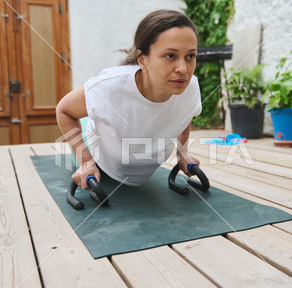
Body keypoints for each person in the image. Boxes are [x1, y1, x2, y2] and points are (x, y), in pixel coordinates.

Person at [56, 9, 202, 190]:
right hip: (96, 145)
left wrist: (183, 153)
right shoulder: (109, 88)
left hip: (129, 145)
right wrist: (85, 162)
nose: (183, 69)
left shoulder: (190, 87)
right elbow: (64, 110)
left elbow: (184, 113)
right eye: (170, 56)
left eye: (190, 56)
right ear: (143, 60)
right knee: (91, 116)